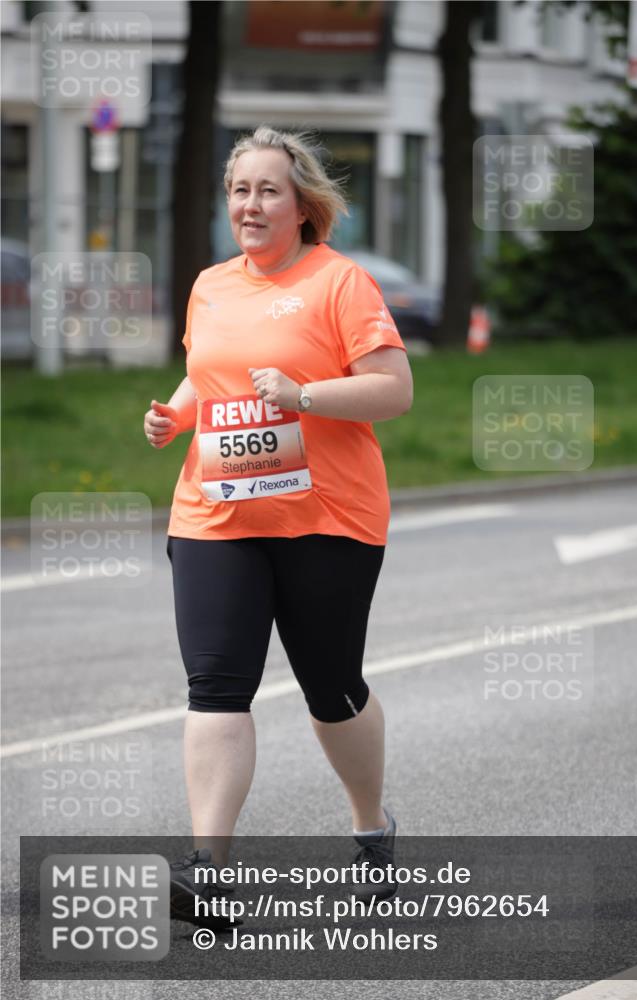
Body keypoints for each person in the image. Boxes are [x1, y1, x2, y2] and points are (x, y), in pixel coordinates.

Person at [143, 126, 413, 923]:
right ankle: (209, 870)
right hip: (216, 512)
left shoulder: (340, 283)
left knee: (330, 686)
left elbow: (392, 391)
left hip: (326, 516)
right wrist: (175, 415)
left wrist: (302, 396)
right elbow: (208, 374)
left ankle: (369, 828)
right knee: (216, 685)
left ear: (301, 206)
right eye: (239, 191)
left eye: (266, 190)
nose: (249, 205)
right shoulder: (211, 285)